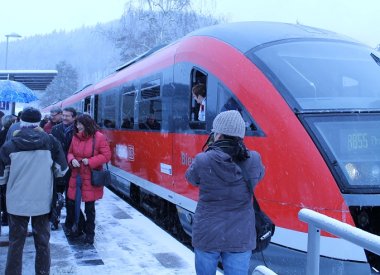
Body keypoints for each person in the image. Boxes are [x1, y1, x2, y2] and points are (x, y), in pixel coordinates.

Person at [185, 110, 265, 275]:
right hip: (240, 235)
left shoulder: (203, 159)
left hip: (208, 233)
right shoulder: (254, 159)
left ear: (218, 134)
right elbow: (259, 176)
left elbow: (191, 179)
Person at [0, 107, 68, 275]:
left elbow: (1, 178)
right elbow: (62, 170)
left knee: (16, 243)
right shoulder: (51, 142)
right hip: (42, 201)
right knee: (43, 242)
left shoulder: (9, 146)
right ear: (38, 122)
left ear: (20, 122)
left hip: (16, 202)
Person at [66, 114, 111, 244]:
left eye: (80, 124)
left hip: (90, 176)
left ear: (87, 124)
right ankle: (80, 227)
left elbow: (106, 156)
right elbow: (70, 152)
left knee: (89, 208)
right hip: (77, 175)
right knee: (72, 204)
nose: (77, 126)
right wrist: (72, 160)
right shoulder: (75, 137)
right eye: (77, 124)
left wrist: (90, 161)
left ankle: (90, 234)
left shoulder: (99, 137)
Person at [50, 107, 77, 230]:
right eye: (64, 115)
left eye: (68, 116)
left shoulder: (78, 130)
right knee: (57, 196)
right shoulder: (55, 129)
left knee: (71, 197)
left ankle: (70, 222)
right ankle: (55, 220)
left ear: (74, 117)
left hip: (73, 167)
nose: (65, 118)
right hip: (59, 168)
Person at [0, 115, 17, 226]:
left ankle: (5, 217)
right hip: (8, 165)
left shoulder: (2, 133)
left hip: (3, 166)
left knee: (3, 193)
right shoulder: (11, 136)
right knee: (7, 193)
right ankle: (7, 217)